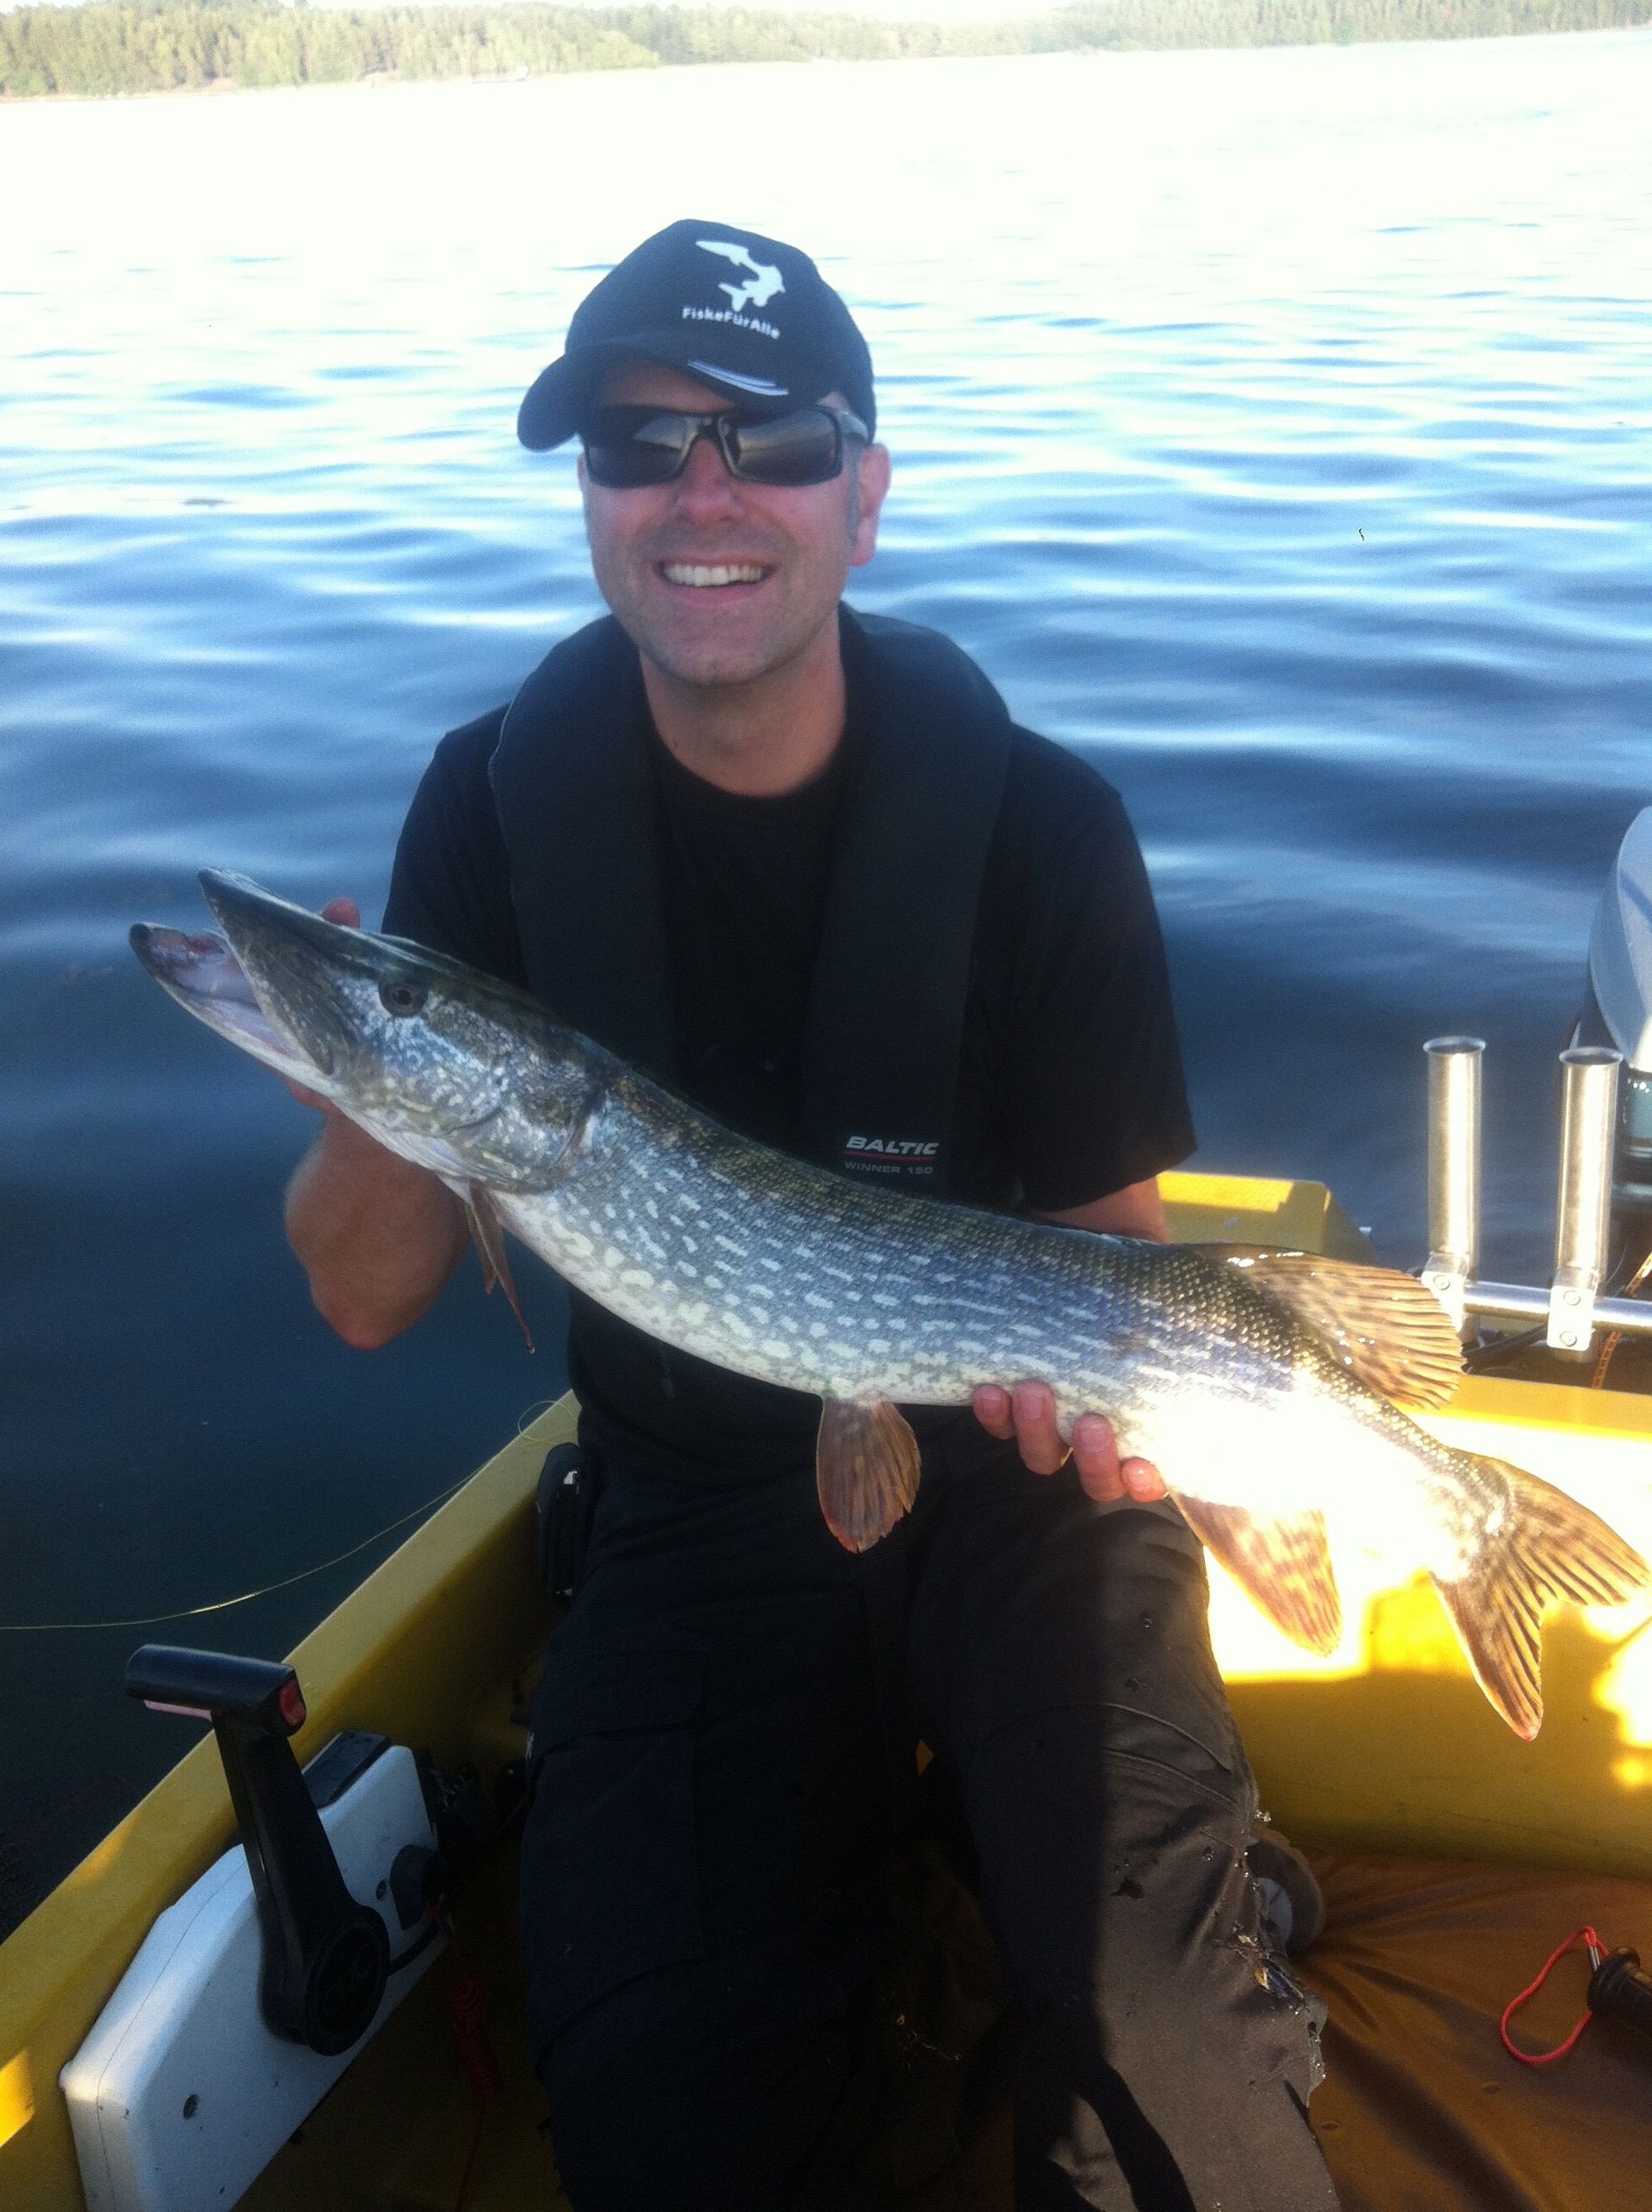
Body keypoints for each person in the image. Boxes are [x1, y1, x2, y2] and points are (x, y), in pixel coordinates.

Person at [284, 221, 1337, 2212]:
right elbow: (359, 1302)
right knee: (668, 2116)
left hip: (1028, 1501)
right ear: (588, 507)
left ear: (862, 498)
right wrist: (360, 1069)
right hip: (691, 1509)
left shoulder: (1039, 827)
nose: (702, 493)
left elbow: (1114, 1258)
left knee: (1166, 2071)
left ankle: (1099, 1902)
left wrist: (1135, 1439)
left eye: (768, 442)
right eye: (637, 444)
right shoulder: (489, 809)